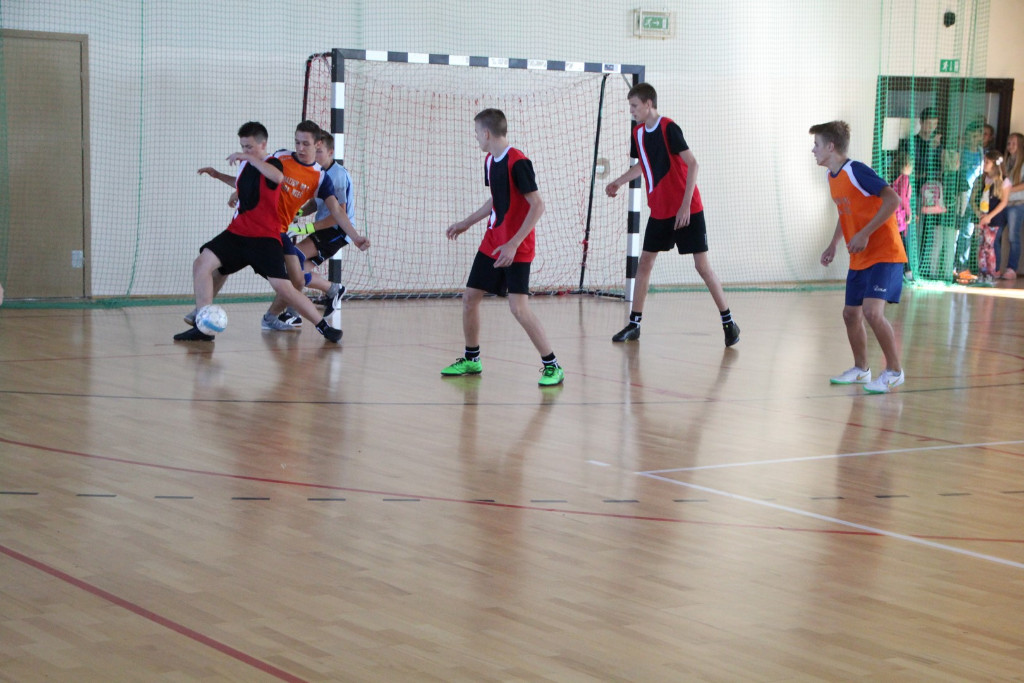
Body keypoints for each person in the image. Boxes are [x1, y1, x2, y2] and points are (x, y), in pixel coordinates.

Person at [173, 121, 343, 343]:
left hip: (264, 238)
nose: (245, 151)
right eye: (243, 147)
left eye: (249, 147)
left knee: (286, 287)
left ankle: (323, 327)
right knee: (202, 264)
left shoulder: (274, 163)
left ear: (263, 145)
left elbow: (277, 178)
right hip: (238, 232)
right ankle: (202, 323)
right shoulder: (247, 165)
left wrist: (250, 158)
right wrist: (219, 176)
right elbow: (242, 185)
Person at [604, 83, 738, 346]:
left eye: (634, 106)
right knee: (645, 263)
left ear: (649, 104)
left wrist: (685, 206)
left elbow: (693, 164)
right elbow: (644, 165)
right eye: (630, 106)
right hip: (660, 211)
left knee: (702, 267)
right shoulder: (638, 133)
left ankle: (729, 322)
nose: (631, 111)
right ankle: (634, 324)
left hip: (688, 209)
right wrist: (618, 182)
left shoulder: (669, 128)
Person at [442, 108, 564, 387]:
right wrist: (466, 223)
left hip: (516, 246)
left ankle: (552, 365)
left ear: (486, 133)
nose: (476, 138)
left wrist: (514, 243)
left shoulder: (518, 162)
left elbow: (538, 205)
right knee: (470, 298)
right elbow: (496, 200)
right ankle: (472, 359)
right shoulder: (489, 161)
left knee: (518, 308)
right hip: (493, 241)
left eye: (476, 133)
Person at [811, 120, 907, 394]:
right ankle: (861, 369)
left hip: (885, 252)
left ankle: (894, 372)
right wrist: (833, 244)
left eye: (816, 145)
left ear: (831, 146)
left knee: (872, 312)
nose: (813, 150)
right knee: (850, 314)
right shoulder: (832, 177)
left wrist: (864, 233)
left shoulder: (856, 171)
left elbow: (893, 200)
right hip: (861, 257)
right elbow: (846, 213)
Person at [260, 121, 369, 331]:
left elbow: (337, 215)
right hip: (324, 229)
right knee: (298, 272)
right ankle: (332, 290)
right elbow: (315, 202)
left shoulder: (336, 175)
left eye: (317, 151)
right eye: (299, 144)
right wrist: (299, 212)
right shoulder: (315, 173)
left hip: (336, 231)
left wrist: (304, 229)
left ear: (329, 151)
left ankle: (293, 313)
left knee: (293, 260)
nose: (311, 154)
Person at [971, 150, 1011, 281]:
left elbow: (1004, 202)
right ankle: (982, 271)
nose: (984, 164)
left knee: (990, 245)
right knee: (981, 245)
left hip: (995, 219)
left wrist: (990, 216)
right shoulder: (984, 179)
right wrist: (981, 214)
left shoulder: (1004, 181)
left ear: (994, 164)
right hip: (984, 216)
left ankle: (992, 271)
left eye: (987, 162)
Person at [1000, 132, 1024, 279]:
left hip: (1017, 203)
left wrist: (1009, 190)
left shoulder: (1022, 163)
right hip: (1003, 202)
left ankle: (1012, 268)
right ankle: (994, 267)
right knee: (995, 233)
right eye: (1009, 143)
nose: (1010, 146)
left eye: (1014, 143)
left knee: (1013, 236)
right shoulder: (1005, 161)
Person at [891, 151, 914, 280]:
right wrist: (908, 212)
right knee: (903, 245)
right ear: (906, 165)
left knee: (899, 244)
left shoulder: (895, 178)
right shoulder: (904, 179)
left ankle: (902, 272)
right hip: (899, 218)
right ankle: (907, 272)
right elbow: (902, 198)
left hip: (894, 216)